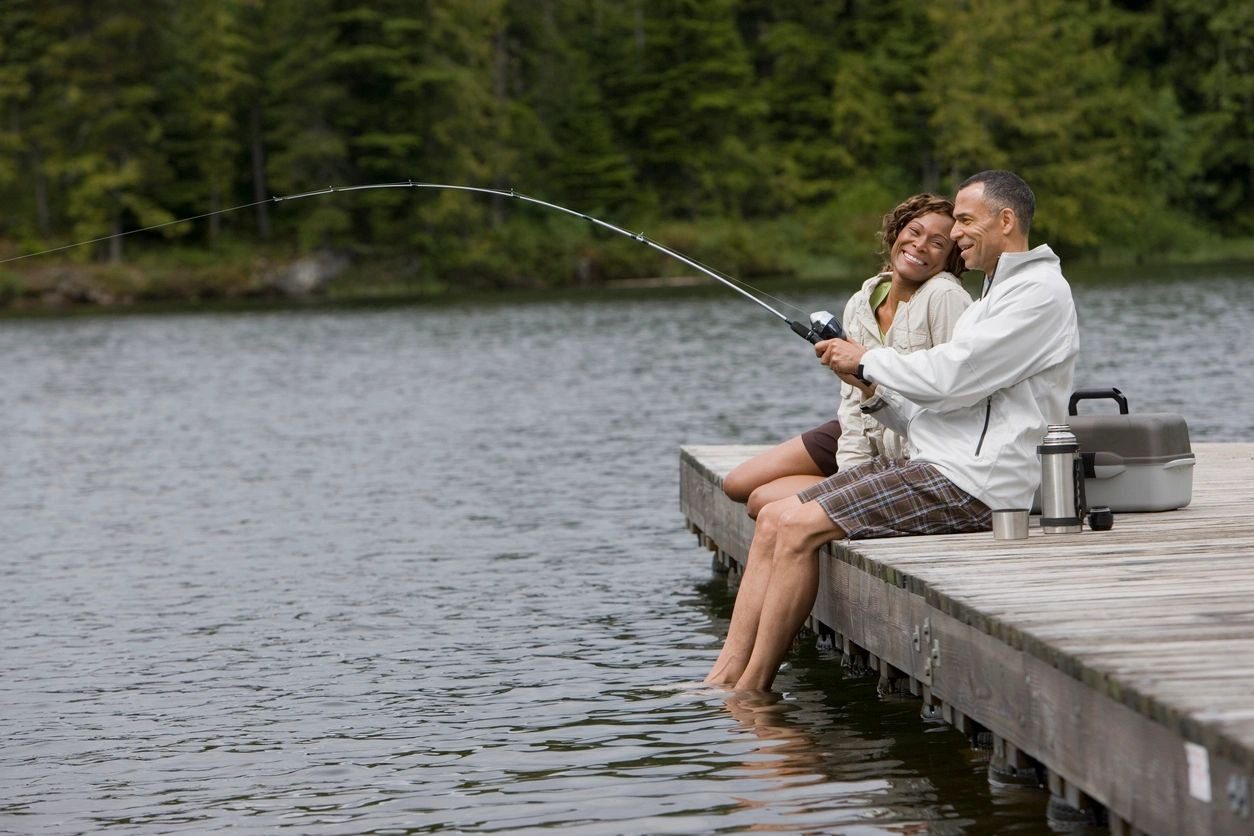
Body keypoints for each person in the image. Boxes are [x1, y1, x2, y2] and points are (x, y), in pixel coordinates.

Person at [706, 170, 1080, 691]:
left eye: (966, 221)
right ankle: (722, 677)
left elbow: (952, 376)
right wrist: (869, 388)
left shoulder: (1037, 294)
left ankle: (752, 690)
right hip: (938, 465)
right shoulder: (999, 293)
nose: (956, 235)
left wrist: (870, 358)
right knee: (772, 517)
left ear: (1007, 220)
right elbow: (947, 407)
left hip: (977, 483)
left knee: (795, 528)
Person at [722, 194, 972, 519]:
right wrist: (850, 475)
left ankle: (850, 490)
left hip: (913, 443)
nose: (920, 245)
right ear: (897, 232)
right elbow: (853, 400)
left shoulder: (945, 296)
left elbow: (957, 397)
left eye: (937, 243)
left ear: (951, 257)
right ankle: (845, 485)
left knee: (761, 500)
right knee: (736, 484)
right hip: (864, 429)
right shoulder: (862, 298)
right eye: (914, 231)